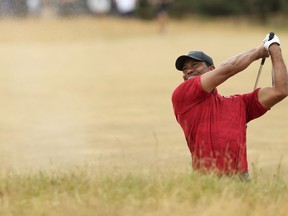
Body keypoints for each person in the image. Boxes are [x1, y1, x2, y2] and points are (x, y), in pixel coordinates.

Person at [171, 33, 288, 180]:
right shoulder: (183, 95)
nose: (188, 70)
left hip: (241, 179)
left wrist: (274, 48)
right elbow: (228, 68)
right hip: (206, 179)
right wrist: (258, 52)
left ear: (212, 69)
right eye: (184, 69)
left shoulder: (239, 103)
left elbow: (281, 90)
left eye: (195, 65)